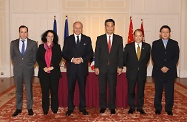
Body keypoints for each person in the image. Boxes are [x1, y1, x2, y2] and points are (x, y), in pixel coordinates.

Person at [62, 21, 93, 116]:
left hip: (82, 69)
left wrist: (82, 59)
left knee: (82, 90)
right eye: (76, 28)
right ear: (73, 28)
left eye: (79, 28)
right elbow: (64, 53)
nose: (78, 29)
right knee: (70, 89)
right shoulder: (68, 39)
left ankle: (82, 107)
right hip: (71, 69)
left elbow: (90, 53)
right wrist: (72, 59)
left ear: (82, 28)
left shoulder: (87, 39)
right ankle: (70, 108)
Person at [94, 19, 123, 114]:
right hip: (102, 68)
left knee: (112, 89)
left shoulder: (119, 38)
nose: (110, 28)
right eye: (108, 26)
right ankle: (102, 106)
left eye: (111, 26)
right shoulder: (100, 38)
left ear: (114, 27)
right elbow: (97, 54)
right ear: (105, 27)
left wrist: (120, 66)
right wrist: (96, 67)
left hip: (113, 68)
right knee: (102, 89)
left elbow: (120, 54)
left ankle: (112, 107)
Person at [152, 25, 179, 116]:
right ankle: (158, 108)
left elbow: (176, 57)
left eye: (167, 32)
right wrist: (161, 67)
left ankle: (169, 109)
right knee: (158, 91)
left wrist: (167, 67)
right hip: (158, 71)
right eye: (163, 32)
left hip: (170, 71)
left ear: (169, 33)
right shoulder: (155, 43)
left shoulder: (174, 43)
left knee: (169, 91)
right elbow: (154, 57)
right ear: (160, 33)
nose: (165, 34)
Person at [10, 25, 37, 116]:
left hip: (28, 69)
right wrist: (18, 64)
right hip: (17, 69)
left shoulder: (33, 43)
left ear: (27, 33)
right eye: (22, 32)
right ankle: (18, 108)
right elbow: (12, 56)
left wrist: (29, 65)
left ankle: (29, 108)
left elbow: (34, 57)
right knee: (18, 89)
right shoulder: (13, 43)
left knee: (29, 89)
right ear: (19, 33)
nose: (23, 34)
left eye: (25, 32)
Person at [123, 29, 151, 114]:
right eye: (136, 35)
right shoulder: (128, 46)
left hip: (142, 72)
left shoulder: (147, 46)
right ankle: (131, 107)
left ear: (143, 37)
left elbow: (146, 59)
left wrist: (140, 67)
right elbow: (125, 60)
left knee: (141, 91)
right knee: (131, 90)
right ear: (133, 36)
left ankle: (139, 107)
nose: (138, 37)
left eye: (140, 36)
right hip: (131, 72)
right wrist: (132, 67)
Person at [36, 30, 62, 115]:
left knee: (54, 91)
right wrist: (44, 67)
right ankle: (45, 109)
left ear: (54, 38)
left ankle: (54, 109)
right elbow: (38, 58)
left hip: (54, 72)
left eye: (52, 36)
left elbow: (58, 58)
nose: (50, 38)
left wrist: (52, 66)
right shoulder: (40, 47)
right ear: (45, 37)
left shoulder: (57, 47)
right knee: (45, 92)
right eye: (48, 36)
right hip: (44, 73)